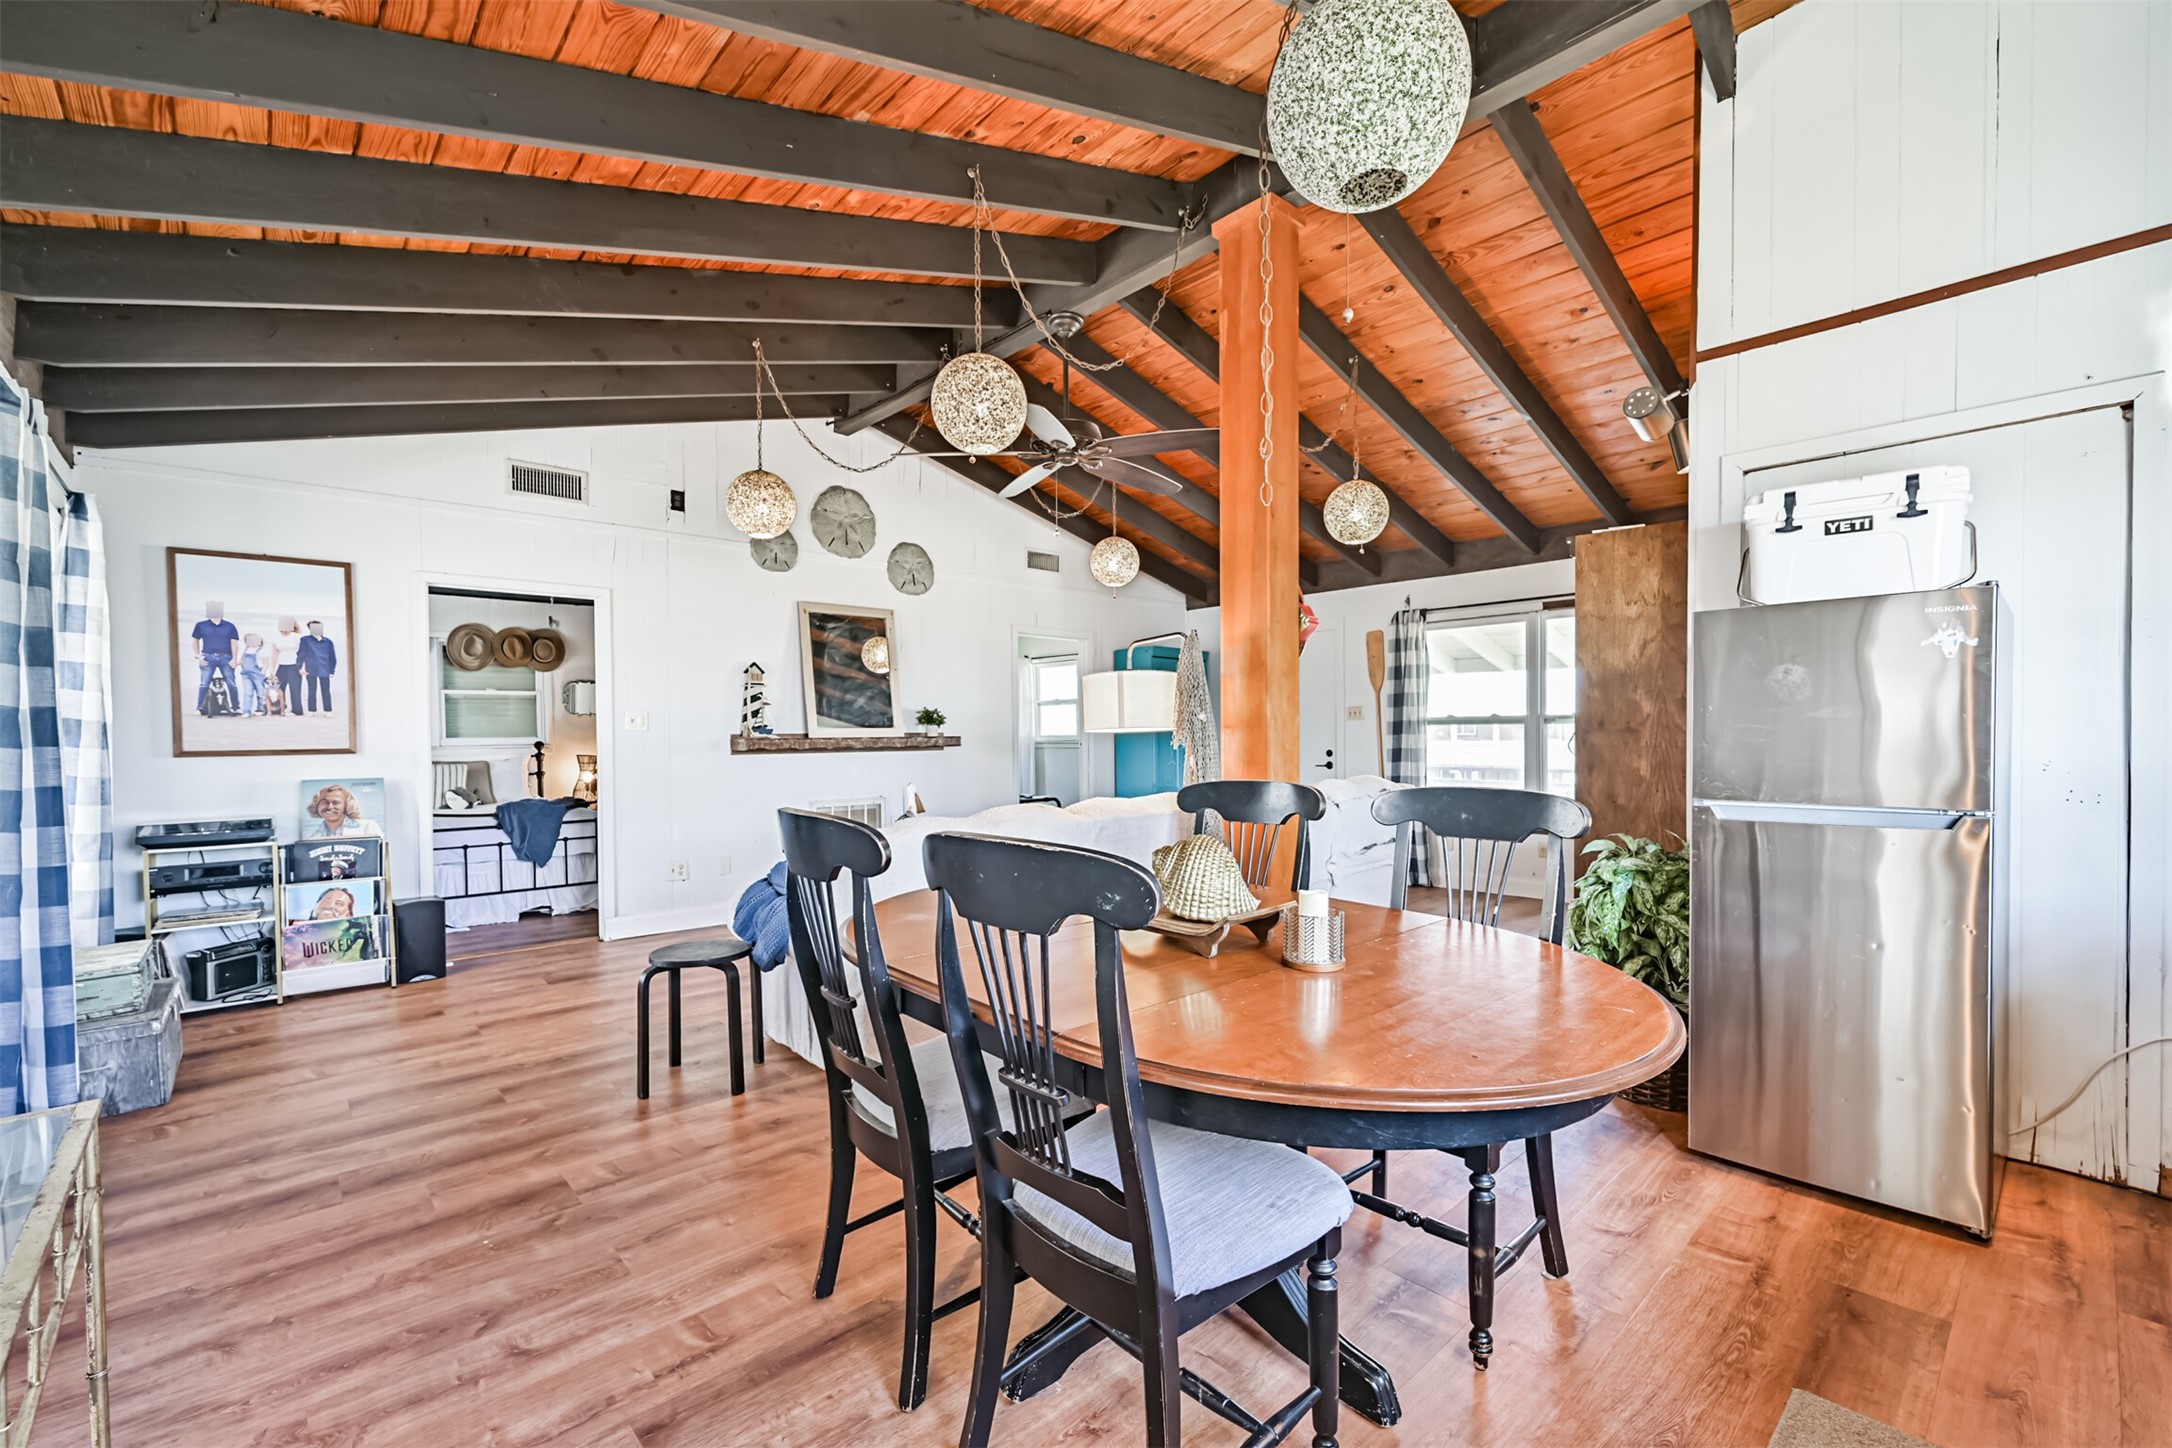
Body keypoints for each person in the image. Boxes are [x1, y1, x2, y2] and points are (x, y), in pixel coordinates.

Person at [190, 600, 241, 717]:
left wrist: (234, 659)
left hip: (226, 657)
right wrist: (197, 655)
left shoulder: (230, 626)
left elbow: (234, 643)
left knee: (231, 683)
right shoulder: (201, 625)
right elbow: (195, 640)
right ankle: (200, 708)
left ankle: (236, 707)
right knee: (204, 683)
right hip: (207, 657)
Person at [306, 785, 383, 839]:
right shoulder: (312, 837)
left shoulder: (367, 826)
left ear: (346, 806)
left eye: (336, 802)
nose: (330, 807)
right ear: (316, 806)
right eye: (325, 802)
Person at [298, 619, 338, 715]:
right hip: (311, 667)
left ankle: (328, 710)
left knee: (326, 690)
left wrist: (332, 670)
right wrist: (300, 667)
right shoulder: (305, 640)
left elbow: (332, 657)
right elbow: (301, 654)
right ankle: (311, 710)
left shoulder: (328, 642)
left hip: (324, 667)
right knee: (311, 690)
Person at [275, 618, 304, 717]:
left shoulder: (298, 637)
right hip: (282, 665)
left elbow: (303, 653)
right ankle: (281, 708)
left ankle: (297, 710)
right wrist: (272, 668)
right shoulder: (276, 637)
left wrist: (303, 667)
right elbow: (275, 653)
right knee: (278, 688)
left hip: (294, 665)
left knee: (295, 688)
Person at [237, 631, 268, 718]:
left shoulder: (262, 650)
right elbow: (242, 661)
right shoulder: (245, 650)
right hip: (245, 674)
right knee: (248, 692)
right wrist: (236, 663)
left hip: (258, 674)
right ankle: (246, 711)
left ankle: (260, 709)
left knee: (260, 693)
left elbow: (266, 663)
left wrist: (263, 672)